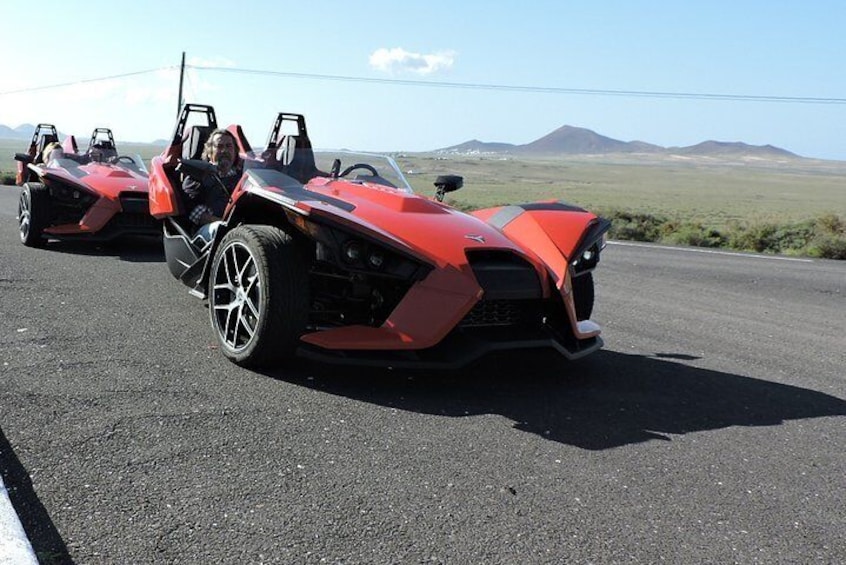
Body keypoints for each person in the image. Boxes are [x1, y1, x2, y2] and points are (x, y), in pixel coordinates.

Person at [182, 128, 242, 245]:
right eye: (219, 146)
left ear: (235, 152)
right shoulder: (197, 177)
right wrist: (229, 226)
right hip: (207, 234)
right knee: (219, 228)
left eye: (229, 146)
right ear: (210, 152)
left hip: (241, 232)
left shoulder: (243, 179)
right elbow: (196, 214)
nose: (224, 150)